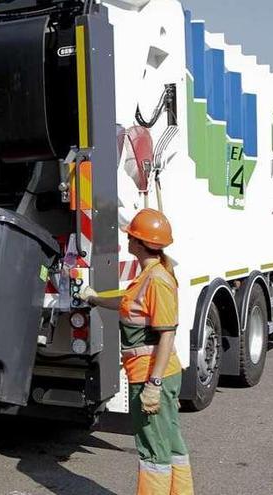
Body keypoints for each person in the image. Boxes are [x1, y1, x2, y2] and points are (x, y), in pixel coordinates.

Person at [80, 208, 194, 495]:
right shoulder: (149, 276)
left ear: (140, 243)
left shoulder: (156, 281)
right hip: (154, 374)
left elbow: (167, 334)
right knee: (170, 442)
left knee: (152, 450)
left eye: (131, 236)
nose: (128, 240)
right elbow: (126, 302)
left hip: (150, 376)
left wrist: (154, 385)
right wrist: (94, 298)